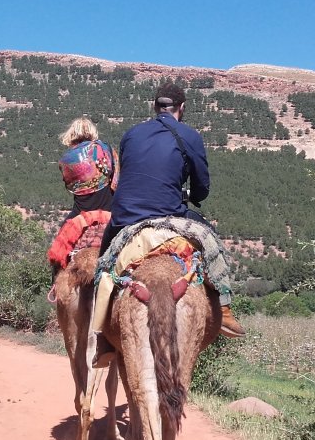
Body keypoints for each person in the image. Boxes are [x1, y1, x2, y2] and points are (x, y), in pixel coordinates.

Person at [99, 82, 245, 338]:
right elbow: (202, 190)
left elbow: (126, 177)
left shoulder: (131, 134)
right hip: (169, 214)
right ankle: (225, 311)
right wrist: (186, 194)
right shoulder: (189, 136)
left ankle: (100, 332)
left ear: (154, 107)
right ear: (182, 108)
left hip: (125, 216)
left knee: (105, 262)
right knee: (211, 241)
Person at [47, 118, 117, 276]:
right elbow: (117, 180)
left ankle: (55, 288)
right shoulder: (105, 149)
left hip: (80, 216)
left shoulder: (65, 161)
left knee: (58, 259)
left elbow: (69, 186)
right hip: (110, 212)